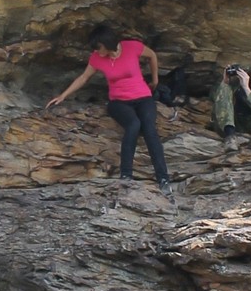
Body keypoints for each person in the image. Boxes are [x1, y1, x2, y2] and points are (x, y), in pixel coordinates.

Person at [48, 25, 173, 191]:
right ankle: (126, 176)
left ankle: (163, 179)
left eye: (98, 46)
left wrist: (155, 80)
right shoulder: (97, 58)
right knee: (133, 125)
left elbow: (152, 55)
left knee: (149, 128)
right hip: (119, 102)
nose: (96, 50)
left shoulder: (131, 46)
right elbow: (84, 77)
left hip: (143, 98)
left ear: (107, 43)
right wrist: (63, 95)